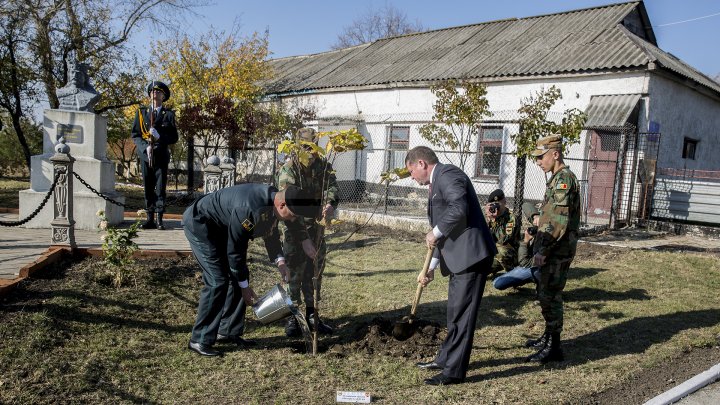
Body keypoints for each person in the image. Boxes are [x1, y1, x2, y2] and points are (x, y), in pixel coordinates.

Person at [183, 183, 320, 357]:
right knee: (218, 280)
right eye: (292, 216)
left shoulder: (271, 202)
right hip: (201, 224)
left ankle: (228, 332)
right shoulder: (248, 209)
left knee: (240, 276)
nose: (292, 220)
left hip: (222, 226)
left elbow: (271, 233)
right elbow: (235, 251)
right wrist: (244, 287)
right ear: (282, 205)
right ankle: (199, 339)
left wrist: (281, 262)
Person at [406, 146, 496, 386]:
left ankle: (454, 372)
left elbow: (459, 209)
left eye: (411, 171)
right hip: (460, 257)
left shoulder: (448, 175)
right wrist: (432, 265)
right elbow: (447, 229)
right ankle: (445, 358)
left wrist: (434, 231)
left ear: (422, 164)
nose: (412, 178)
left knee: (463, 314)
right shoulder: (437, 182)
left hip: (472, 256)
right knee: (454, 312)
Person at [277, 128, 339, 337]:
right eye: (305, 147)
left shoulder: (323, 166)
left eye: (313, 147)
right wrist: (303, 239)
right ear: (297, 147)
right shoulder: (289, 170)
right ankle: (293, 318)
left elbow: (332, 186)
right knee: (294, 273)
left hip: (317, 228)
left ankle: (313, 316)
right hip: (294, 229)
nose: (310, 152)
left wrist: (330, 204)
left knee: (314, 273)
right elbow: (288, 209)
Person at [525, 134, 581, 363]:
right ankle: (548, 336)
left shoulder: (563, 180)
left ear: (555, 154)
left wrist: (542, 250)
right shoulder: (557, 178)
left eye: (541, 157)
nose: (538, 162)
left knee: (550, 295)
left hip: (556, 251)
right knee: (544, 293)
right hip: (552, 249)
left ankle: (554, 347)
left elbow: (558, 221)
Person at [131, 81, 179, 230]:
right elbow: (135, 134)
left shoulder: (168, 114)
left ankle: (159, 219)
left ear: (163, 96)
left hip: (161, 156)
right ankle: (149, 218)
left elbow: (174, 137)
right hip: (146, 155)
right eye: (152, 91)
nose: (154, 93)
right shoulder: (141, 113)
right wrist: (145, 148)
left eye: (158, 92)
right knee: (147, 186)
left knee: (159, 188)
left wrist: (159, 137)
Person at [493, 202, 541, 290]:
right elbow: (526, 205)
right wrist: (536, 216)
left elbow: (525, 262)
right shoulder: (545, 223)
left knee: (498, 282)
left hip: (536, 266)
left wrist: (525, 241)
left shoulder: (510, 218)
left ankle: (541, 284)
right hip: (536, 263)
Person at [484, 189, 520, 275]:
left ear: (504, 202)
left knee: (501, 250)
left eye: (497, 204)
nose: (495, 207)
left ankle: (513, 275)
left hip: (510, 253)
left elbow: (504, 240)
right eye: (492, 204)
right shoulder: (488, 216)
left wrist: (494, 220)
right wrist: (488, 220)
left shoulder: (511, 218)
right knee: (479, 268)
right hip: (493, 253)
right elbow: (480, 235)